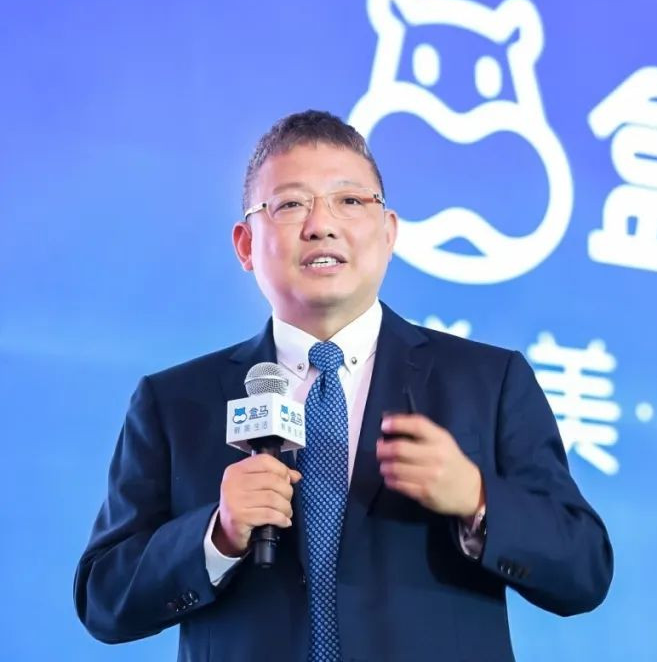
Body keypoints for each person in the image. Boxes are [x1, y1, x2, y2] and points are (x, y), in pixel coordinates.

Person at [74, 110, 614, 661]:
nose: (321, 225)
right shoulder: (175, 402)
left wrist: (477, 499)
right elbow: (103, 598)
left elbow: (585, 569)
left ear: (389, 232)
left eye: (350, 200)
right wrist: (216, 534)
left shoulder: (488, 382)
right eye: (290, 204)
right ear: (245, 244)